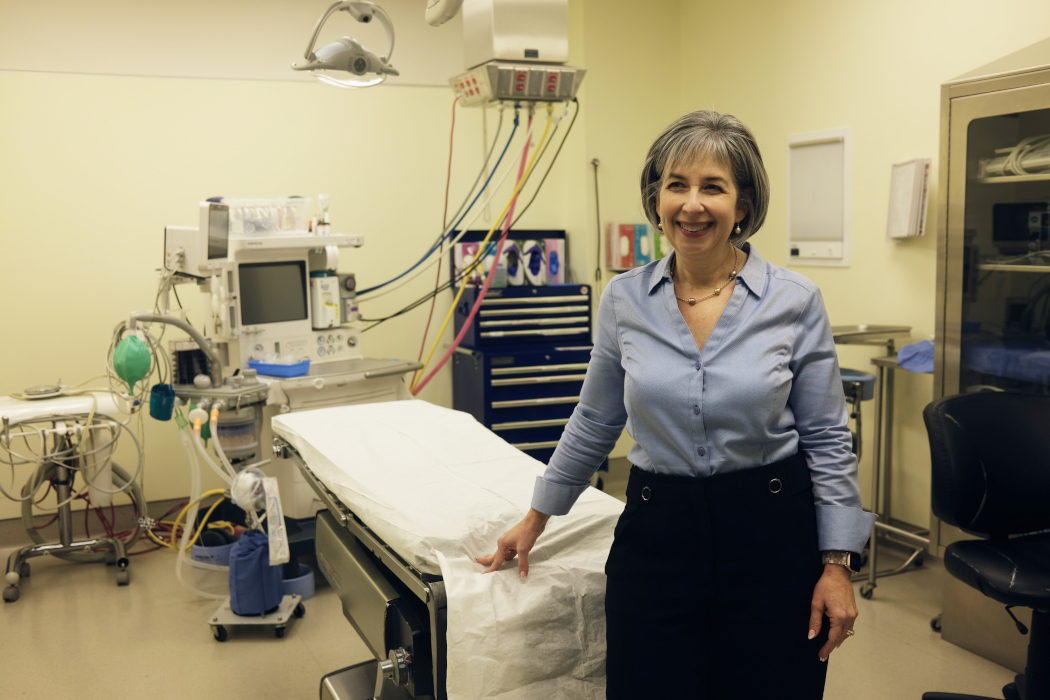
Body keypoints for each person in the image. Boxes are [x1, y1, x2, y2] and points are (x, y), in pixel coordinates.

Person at [477, 110, 875, 700]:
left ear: (742, 206)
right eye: (677, 185)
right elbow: (595, 418)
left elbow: (825, 437)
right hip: (657, 535)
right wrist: (537, 517)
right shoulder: (625, 300)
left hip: (770, 535)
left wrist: (838, 564)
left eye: (713, 187)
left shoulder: (794, 301)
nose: (692, 204)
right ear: (656, 199)